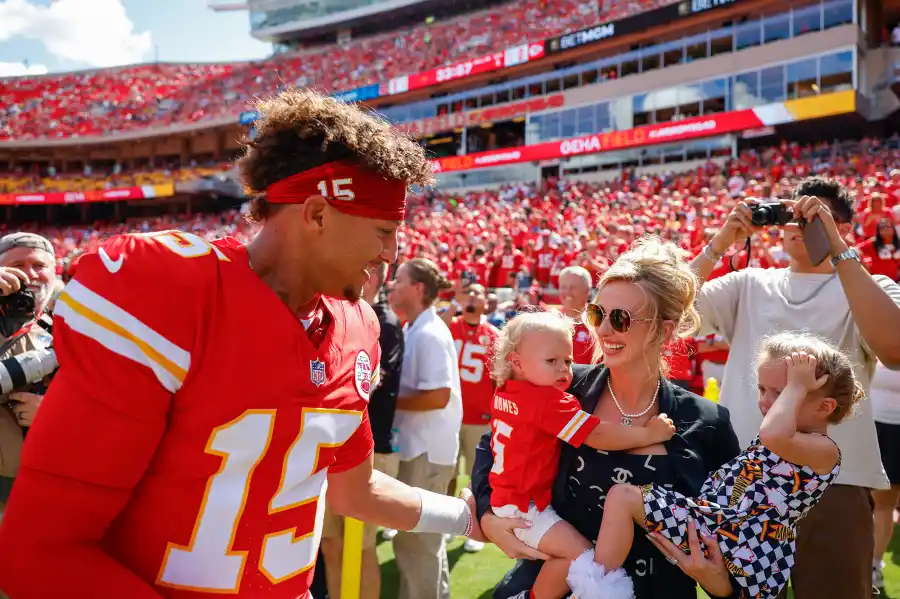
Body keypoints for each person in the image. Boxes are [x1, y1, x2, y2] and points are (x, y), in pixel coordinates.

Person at [0, 89, 476, 599]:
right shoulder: (169, 293)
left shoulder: (358, 326)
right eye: (383, 231)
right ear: (316, 216)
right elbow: (40, 553)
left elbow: (357, 490)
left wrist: (465, 518)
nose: (391, 254)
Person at [471, 236, 744, 599]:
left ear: (665, 329)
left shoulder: (706, 422)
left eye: (621, 318)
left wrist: (721, 584)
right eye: (598, 314)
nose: (603, 330)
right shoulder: (558, 388)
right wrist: (489, 515)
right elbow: (492, 451)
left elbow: (738, 538)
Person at [691, 177, 900, 599]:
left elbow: (896, 348)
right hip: (746, 479)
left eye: (811, 215)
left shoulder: (870, 285)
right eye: (791, 213)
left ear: (839, 225)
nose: (795, 223)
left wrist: (840, 251)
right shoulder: (748, 283)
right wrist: (720, 243)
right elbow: (667, 313)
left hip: (837, 481)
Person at [569, 332, 855, 599]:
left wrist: (798, 383)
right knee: (627, 498)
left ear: (825, 407)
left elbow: (773, 435)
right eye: (762, 389)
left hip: (746, 542)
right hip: (722, 528)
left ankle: (595, 590)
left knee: (623, 496)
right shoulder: (785, 437)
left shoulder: (823, 450)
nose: (766, 402)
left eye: (780, 393)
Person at [487, 310, 677, 599]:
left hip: (508, 500)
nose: (565, 370)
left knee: (576, 558)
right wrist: (648, 434)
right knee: (581, 558)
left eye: (568, 360)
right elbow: (596, 434)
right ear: (517, 362)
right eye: (552, 361)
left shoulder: (506, 391)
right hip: (526, 509)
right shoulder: (547, 400)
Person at [320, 262, 404, 599]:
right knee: (331, 544)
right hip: (329, 447)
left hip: (370, 448)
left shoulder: (384, 322)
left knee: (364, 547)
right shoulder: (334, 314)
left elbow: (371, 380)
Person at [388, 257, 463, 599]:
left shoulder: (431, 333)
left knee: (418, 543)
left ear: (418, 289)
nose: (392, 285)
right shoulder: (415, 327)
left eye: (399, 280)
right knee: (422, 542)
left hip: (427, 453)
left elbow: (437, 395)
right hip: (421, 448)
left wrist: (387, 400)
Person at [0, 233, 58, 519]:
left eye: (39, 265)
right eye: (17, 265)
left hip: (47, 499)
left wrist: (56, 415)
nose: (29, 274)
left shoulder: (69, 327)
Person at [447, 283, 499, 554]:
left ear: (486, 301)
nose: (471, 297)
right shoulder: (448, 325)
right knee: (448, 472)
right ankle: (447, 523)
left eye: (477, 293)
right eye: (468, 292)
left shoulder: (492, 335)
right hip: (448, 414)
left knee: (477, 475)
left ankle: (476, 529)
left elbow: (498, 379)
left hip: (479, 416)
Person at [869, 360, 900, 594]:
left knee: (885, 502)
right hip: (872, 425)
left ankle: (874, 564)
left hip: (896, 432)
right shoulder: (876, 329)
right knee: (865, 498)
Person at [556, 266, 595, 365]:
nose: (567, 292)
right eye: (564, 287)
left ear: (587, 291)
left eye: (573, 287)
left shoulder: (597, 324)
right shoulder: (549, 320)